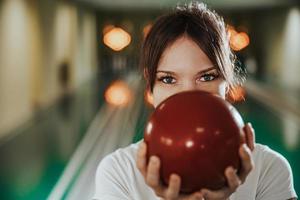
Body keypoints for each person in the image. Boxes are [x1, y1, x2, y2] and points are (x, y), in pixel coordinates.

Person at [93, 2, 297, 200]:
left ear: (227, 84)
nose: (188, 95)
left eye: (207, 77)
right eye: (168, 79)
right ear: (151, 89)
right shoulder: (118, 172)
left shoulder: (269, 169)